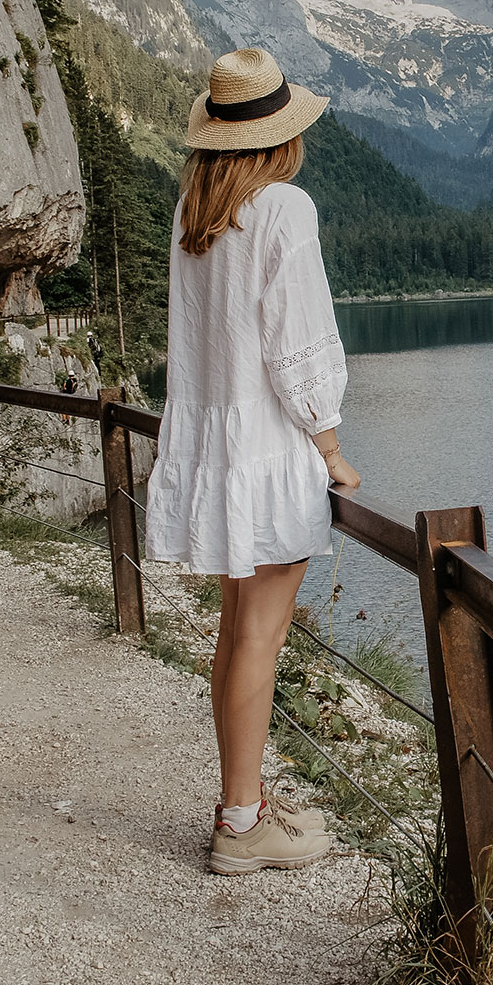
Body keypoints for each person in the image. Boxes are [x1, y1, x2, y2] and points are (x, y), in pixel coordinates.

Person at [144, 46, 359, 876]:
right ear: (280, 138)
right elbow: (299, 344)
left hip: (215, 450)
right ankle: (240, 828)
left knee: (236, 637)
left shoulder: (194, 210)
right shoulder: (283, 209)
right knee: (259, 642)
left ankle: (245, 804)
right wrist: (331, 446)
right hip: (268, 453)